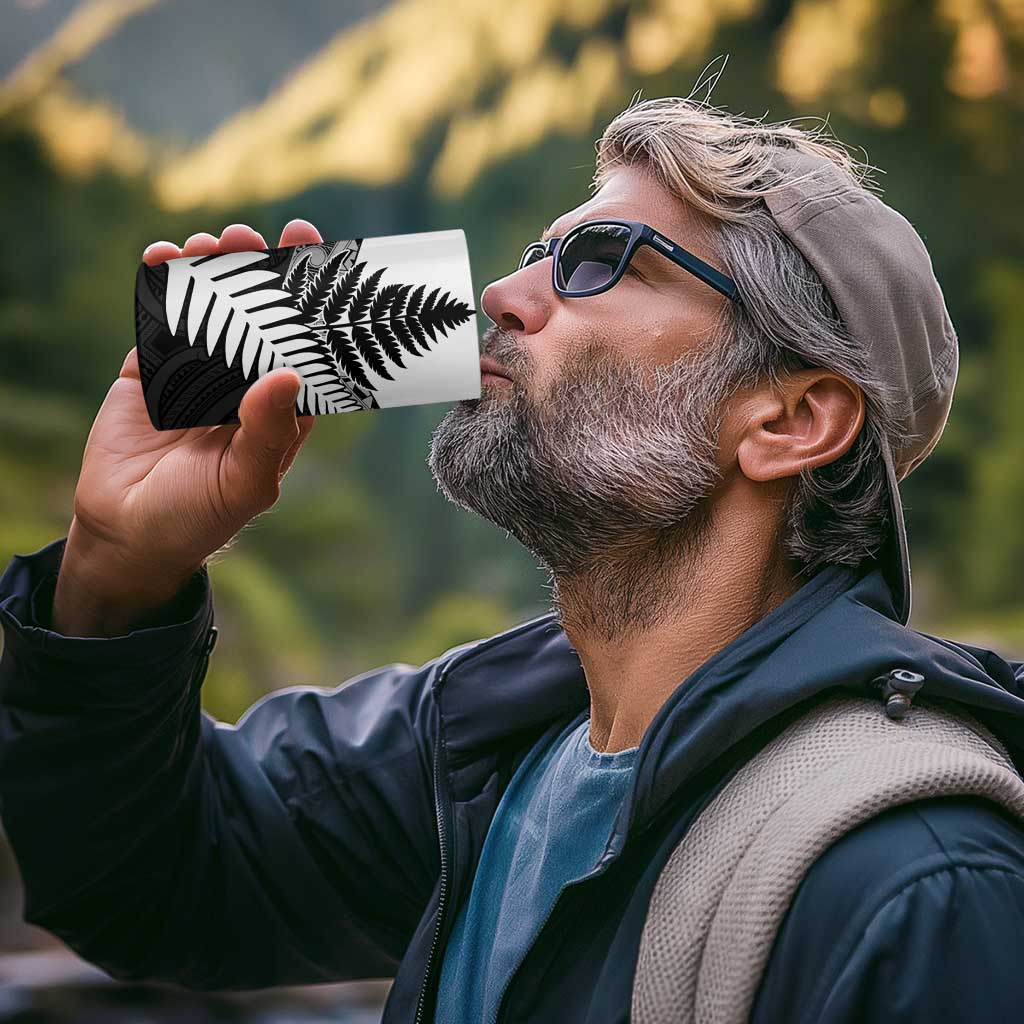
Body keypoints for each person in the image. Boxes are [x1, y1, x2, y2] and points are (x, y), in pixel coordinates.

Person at [2, 94, 1024, 1024]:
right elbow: (148, 880)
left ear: (791, 419)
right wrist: (116, 569)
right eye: (539, 252)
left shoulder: (918, 884)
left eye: (599, 262)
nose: (501, 291)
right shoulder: (480, 748)